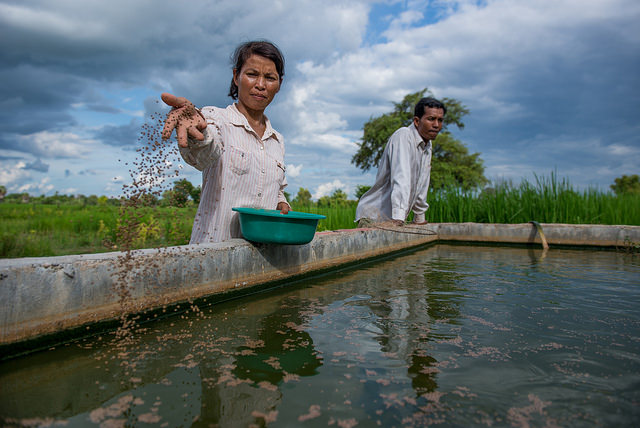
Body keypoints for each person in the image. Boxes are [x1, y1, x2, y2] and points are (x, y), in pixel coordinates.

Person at [161, 40, 290, 244]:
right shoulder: (215, 119)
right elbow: (203, 154)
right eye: (252, 74)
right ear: (236, 76)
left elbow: (277, 191)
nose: (260, 85)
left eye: (270, 78)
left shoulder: (277, 141)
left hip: (262, 259)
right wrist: (197, 133)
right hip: (213, 254)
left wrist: (281, 204)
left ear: (279, 84)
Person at [355, 97, 446, 227]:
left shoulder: (427, 145)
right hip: (375, 216)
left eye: (440, 120)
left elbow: (422, 183)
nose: (436, 125)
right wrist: (398, 218)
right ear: (416, 121)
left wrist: (419, 217)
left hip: (393, 219)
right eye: (431, 119)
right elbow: (401, 178)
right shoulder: (404, 136)